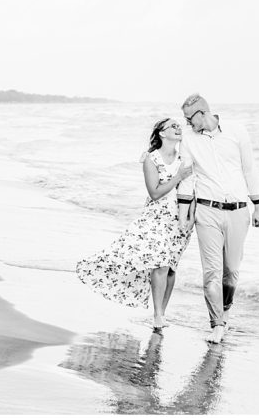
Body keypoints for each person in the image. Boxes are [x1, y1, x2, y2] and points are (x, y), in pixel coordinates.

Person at [77, 118, 194, 329]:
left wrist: (191, 217)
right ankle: (157, 314)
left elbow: (192, 190)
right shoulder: (151, 159)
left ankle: (162, 313)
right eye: (172, 126)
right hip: (156, 218)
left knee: (171, 269)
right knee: (160, 263)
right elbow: (155, 192)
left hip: (180, 220)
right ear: (161, 133)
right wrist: (177, 177)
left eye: (179, 126)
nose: (178, 129)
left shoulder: (185, 158)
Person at [175, 93, 259, 344]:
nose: (187, 124)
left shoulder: (237, 131)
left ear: (202, 113)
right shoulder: (189, 140)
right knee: (211, 272)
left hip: (238, 211)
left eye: (189, 118)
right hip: (207, 211)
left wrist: (258, 206)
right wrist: (184, 215)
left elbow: (249, 168)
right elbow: (188, 176)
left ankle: (225, 312)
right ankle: (217, 324)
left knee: (231, 270)